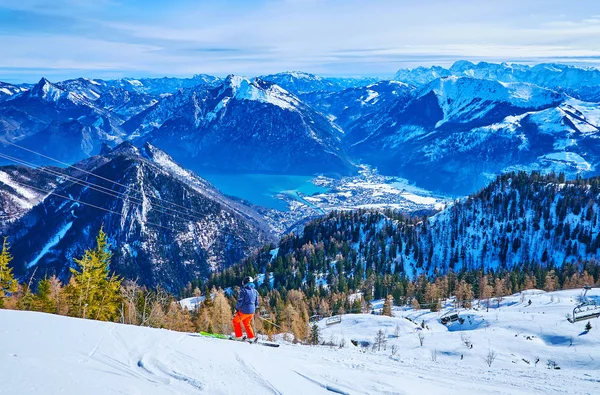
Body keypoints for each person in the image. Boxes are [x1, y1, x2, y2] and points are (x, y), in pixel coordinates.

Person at [232, 276, 259, 342]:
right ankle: (251, 337)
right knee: (246, 323)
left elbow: (240, 301)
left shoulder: (243, 291)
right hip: (252, 312)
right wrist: (253, 309)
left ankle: (238, 336)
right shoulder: (255, 291)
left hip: (244, 311)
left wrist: (237, 309)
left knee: (235, 321)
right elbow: (256, 303)